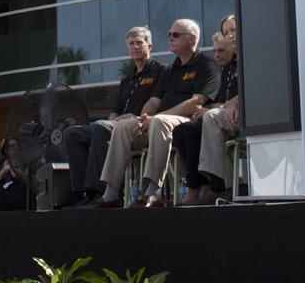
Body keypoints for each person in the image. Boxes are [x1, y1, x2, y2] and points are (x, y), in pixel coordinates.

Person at [95, 18, 219, 209]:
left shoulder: (207, 65)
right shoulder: (170, 70)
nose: (170, 38)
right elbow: (154, 101)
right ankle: (111, 193)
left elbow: (197, 102)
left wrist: (156, 118)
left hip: (186, 122)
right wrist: (143, 118)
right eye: (169, 34)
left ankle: (153, 192)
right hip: (159, 123)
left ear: (192, 38)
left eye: (175, 35)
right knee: (123, 126)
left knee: (160, 120)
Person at [67, 25, 163, 208]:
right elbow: (115, 112)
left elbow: (155, 103)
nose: (135, 46)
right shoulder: (127, 80)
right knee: (72, 134)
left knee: (99, 127)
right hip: (117, 125)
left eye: (139, 42)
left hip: (140, 126)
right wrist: (117, 119)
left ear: (150, 46)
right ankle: (83, 194)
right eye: (131, 44)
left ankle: (102, 192)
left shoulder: (161, 71)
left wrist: (134, 117)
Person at [173, 17, 238, 205]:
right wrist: (211, 108)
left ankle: (215, 188)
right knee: (181, 130)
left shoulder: (245, 59)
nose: (217, 55)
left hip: (242, 115)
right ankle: (200, 185)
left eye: (221, 50)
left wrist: (215, 108)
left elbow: (246, 93)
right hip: (223, 115)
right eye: (227, 32)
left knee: (195, 127)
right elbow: (221, 102)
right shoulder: (226, 70)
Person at [0, 136, 27, 211]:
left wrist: (18, 173)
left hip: (22, 203)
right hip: (2, 204)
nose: (14, 148)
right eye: (11, 146)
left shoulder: (25, 163)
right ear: (5, 150)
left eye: (16, 146)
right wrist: (3, 171)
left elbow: (33, 181)